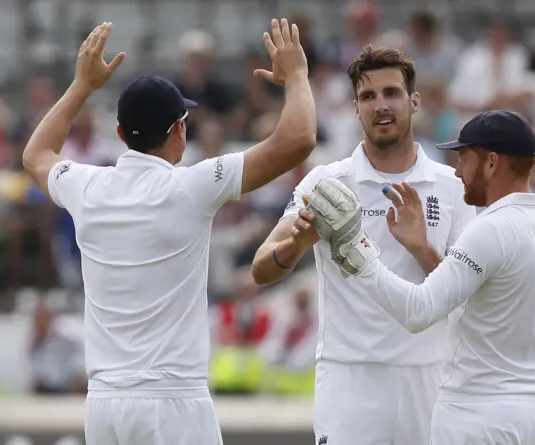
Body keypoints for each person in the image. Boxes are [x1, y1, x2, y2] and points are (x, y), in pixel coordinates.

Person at [22, 19, 316, 445]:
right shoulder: (192, 187)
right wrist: (298, 75)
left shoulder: (86, 187)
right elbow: (298, 139)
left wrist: (82, 86)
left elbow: (35, 155)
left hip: (103, 406)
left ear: (120, 133)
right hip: (173, 403)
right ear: (180, 130)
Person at [306, 110, 535, 444]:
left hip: (475, 419)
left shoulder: (487, 231)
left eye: (464, 159)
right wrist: (423, 248)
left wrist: (356, 248)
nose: (458, 171)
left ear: (492, 163)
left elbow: (418, 311)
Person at [251, 45, 475, 445]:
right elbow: (261, 267)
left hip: (429, 378)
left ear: (414, 101)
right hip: (348, 377)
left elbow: (466, 295)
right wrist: (299, 243)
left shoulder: (453, 187)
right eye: (368, 96)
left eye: (392, 93)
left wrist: (421, 247)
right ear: (355, 107)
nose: (380, 105)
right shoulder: (326, 181)